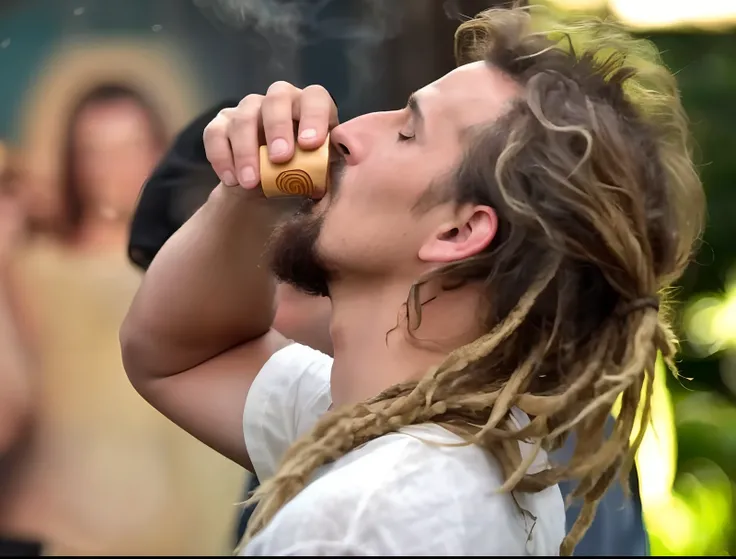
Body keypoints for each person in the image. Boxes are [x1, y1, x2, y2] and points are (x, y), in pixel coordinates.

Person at [121, 6, 704, 556]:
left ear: (458, 233)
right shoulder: (468, 444)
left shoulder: (362, 523)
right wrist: (246, 191)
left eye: (406, 131)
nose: (345, 133)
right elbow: (181, 355)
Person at [0, 83, 243, 555]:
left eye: (131, 146)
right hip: (61, 521)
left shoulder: (202, 260)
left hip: (190, 521)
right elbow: (11, 397)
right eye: (95, 152)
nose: (114, 168)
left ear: (160, 148)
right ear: (73, 162)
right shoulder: (32, 266)